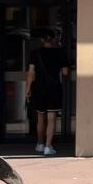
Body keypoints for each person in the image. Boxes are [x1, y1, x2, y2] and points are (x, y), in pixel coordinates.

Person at [26, 29, 68, 157]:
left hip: (39, 87)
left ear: (42, 40)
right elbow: (65, 72)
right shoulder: (60, 53)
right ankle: (48, 146)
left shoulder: (35, 53)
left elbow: (31, 72)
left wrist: (28, 88)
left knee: (40, 117)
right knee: (52, 118)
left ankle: (39, 144)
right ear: (54, 39)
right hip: (54, 87)